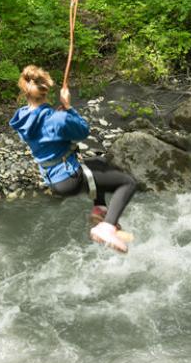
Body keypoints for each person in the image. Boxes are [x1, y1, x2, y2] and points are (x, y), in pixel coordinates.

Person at [9, 65, 137, 253]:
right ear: (46, 90)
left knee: (100, 164)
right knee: (128, 183)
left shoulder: (22, 118)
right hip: (70, 178)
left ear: (25, 91)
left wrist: (60, 115)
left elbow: (47, 129)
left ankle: (99, 209)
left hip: (53, 180)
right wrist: (68, 108)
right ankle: (107, 227)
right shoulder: (56, 119)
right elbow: (83, 131)